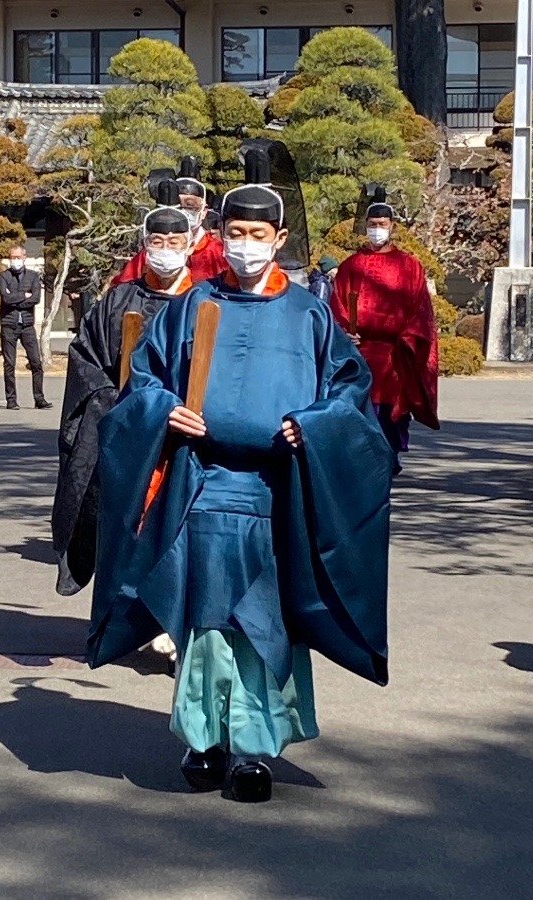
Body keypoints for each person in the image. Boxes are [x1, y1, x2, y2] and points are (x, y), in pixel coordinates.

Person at [87, 157, 396, 803]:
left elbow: (349, 392)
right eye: (233, 232)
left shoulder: (308, 316)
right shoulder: (192, 304)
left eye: (258, 235)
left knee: (264, 621)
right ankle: (201, 739)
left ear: (279, 239)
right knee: (202, 620)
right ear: (217, 233)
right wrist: (158, 409)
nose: (244, 245)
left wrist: (313, 427)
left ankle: (254, 749)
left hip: (275, 491)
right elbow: (140, 380)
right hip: (201, 487)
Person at [52, 181, 194, 598]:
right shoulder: (119, 300)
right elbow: (85, 357)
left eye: (175, 240)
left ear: (190, 244)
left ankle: (170, 619)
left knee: (175, 525)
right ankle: (121, 614)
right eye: (157, 240)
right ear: (144, 244)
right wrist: (112, 401)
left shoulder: (205, 301)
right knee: (123, 523)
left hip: (183, 434)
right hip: (126, 431)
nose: (165, 248)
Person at [330, 201, 439, 464]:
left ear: (392, 226)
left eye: (382, 225)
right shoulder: (351, 266)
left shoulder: (410, 266)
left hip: (395, 357)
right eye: (372, 225)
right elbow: (336, 306)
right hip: (359, 354)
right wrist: (344, 332)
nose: (377, 229)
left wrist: (408, 340)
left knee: (389, 419)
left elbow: (421, 312)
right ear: (365, 226)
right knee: (357, 415)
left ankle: (388, 461)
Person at [111, 160, 226, 285]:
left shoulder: (218, 253)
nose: (183, 211)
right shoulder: (153, 252)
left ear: (204, 211)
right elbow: (122, 286)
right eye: (178, 205)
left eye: (190, 205)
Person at [0, 245, 52, 411]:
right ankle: (11, 400)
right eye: (12, 257)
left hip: (27, 325)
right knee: (9, 364)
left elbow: (35, 298)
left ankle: (39, 398)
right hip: (9, 324)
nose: (15, 261)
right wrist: (23, 295)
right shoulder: (3, 276)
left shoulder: (33, 276)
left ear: (24, 257)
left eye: (17, 257)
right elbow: (5, 298)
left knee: (36, 362)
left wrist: (18, 298)